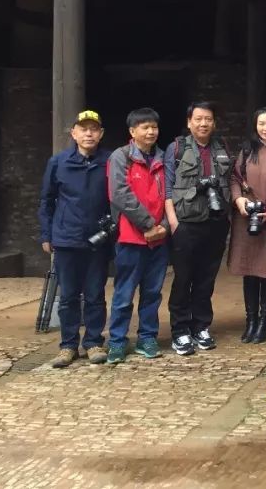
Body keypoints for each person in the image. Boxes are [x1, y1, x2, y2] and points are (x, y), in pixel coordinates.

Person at [38, 109, 111, 368]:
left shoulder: (109, 162)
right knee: (68, 295)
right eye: (83, 129)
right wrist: (46, 234)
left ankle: (93, 342)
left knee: (95, 294)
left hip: (98, 240)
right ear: (74, 133)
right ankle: (68, 345)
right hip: (66, 238)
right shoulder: (58, 162)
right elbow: (46, 201)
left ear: (101, 134)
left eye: (94, 129)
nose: (88, 133)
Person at [164, 101, 233, 356]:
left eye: (208, 119)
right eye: (199, 119)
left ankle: (201, 326)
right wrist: (173, 223)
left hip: (215, 224)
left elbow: (231, 180)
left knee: (206, 279)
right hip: (187, 223)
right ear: (189, 122)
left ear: (214, 123)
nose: (203, 124)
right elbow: (167, 187)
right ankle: (180, 330)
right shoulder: (177, 148)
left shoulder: (222, 147)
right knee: (183, 279)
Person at [105, 108, 169, 364]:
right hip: (131, 237)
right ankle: (117, 341)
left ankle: (147, 337)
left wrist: (163, 225)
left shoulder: (164, 158)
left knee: (153, 292)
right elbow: (119, 194)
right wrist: (147, 225)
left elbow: (171, 195)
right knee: (124, 292)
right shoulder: (121, 157)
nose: (151, 131)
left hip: (160, 238)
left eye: (154, 127)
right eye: (144, 127)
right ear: (132, 132)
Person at [228, 107, 266, 344]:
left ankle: (264, 320)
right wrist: (238, 199)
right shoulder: (246, 150)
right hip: (247, 218)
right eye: (261, 124)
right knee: (249, 271)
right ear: (255, 126)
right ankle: (250, 319)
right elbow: (233, 178)